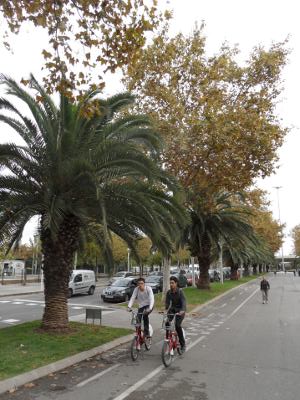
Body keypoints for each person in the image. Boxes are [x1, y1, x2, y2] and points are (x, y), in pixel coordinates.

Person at [165, 276, 187, 351]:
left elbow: (184, 302)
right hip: (172, 310)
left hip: (180, 311)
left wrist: (182, 310)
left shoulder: (180, 292)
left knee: (177, 325)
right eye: (170, 283)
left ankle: (182, 344)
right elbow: (167, 304)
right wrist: (165, 310)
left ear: (176, 283)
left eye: (172, 283)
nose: (171, 284)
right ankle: (167, 339)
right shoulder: (169, 292)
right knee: (167, 323)